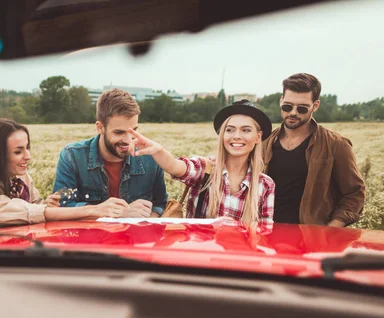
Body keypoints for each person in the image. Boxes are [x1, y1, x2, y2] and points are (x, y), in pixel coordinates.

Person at [0, 118, 128, 232]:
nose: (28, 156)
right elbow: (31, 212)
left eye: (27, 148)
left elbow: (36, 208)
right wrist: (94, 210)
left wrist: (48, 205)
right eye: (18, 152)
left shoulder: (21, 178)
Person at [129, 100, 275, 228]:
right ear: (222, 135)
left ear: (258, 137)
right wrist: (158, 151)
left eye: (246, 130)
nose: (237, 136)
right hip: (199, 257)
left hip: (237, 258)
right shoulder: (205, 169)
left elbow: (264, 233)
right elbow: (175, 166)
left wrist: (236, 229)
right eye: (230, 130)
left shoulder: (266, 185)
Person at [263, 73, 365, 226]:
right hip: (266, 236)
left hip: (310, 239)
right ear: (281, 100)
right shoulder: (264, 142)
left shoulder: (336, 145)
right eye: (287, 106)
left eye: (302, 108)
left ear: (315, 106)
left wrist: (332, 228)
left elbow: (354, 193)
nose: (293, 113)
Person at [52, 88, 168, 217]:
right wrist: (117, 213)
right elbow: (61, 207)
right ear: (100, 127)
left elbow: (160, 204)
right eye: (119, 132)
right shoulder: (72, 157)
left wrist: (143, 224)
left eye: (133, 131)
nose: (128, 140)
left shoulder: (150, 157)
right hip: (89, 235)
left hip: (136, 235)